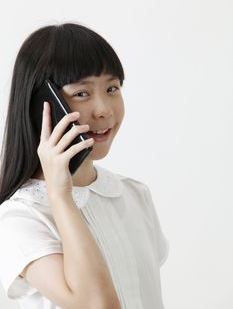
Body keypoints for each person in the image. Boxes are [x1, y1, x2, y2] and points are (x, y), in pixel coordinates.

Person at [0, 23, 169, 309]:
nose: (104, 109)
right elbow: (97, 304)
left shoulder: (134, 194)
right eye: (81, 93)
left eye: (112, 88)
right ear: (42, 104)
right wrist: (60, 195)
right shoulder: (19, 218)